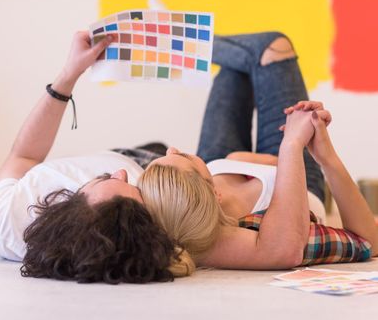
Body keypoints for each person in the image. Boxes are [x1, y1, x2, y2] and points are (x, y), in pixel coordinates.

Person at [138, 32, 378, 276]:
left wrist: (236, 161)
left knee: (234, 71)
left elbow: (247, 163)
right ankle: (169, 44)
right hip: (295, 170)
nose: (172, 148)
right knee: (275, 48)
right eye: (183, 156)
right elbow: (369, 242)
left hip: (224, 161)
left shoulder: (181, 202)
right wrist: (325, 156)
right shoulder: (248, 231)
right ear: (214, 193)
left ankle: (169, 45)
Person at [0, 32, 179, 284]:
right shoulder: (160, 233)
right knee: (238, 67)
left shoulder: (5, 222)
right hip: (168, 169)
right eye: (133, 189)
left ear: (65, 206)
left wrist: (69, 75)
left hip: (124, 152)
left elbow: (24, 156)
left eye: (103, 179)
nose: (121, 173)